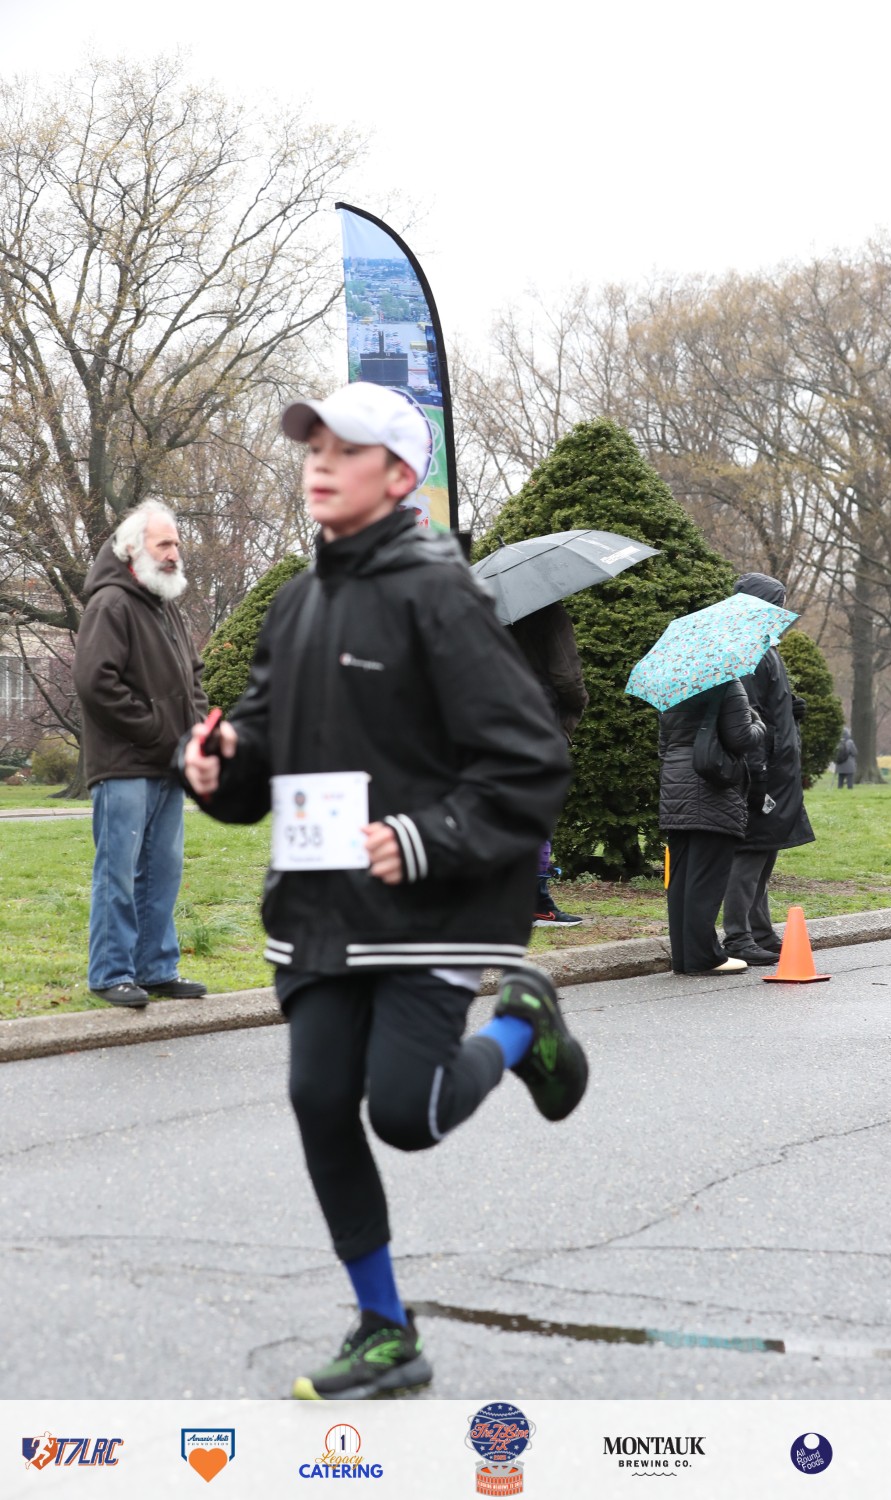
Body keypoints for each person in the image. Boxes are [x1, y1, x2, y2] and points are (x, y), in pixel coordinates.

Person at [180, 382, 588, 1401]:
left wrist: (422, 837)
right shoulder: (296, 603)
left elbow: (530, 758)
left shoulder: (440, 595)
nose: (318, 462)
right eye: (311, 446)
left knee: (405, 1113)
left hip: (427, 910)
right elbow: (263, 748)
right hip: (318, 908)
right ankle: (384, 1328)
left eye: (343, 449)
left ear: (400, 476)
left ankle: (519, 1029)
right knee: (320, 1100)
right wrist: (223, 765)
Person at [73, 501, 209, 1008]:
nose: (174, 553)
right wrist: (156, 731)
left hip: (168, 763)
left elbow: (194, 676)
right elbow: (96, 683)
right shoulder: (111, 603)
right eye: (164, 544)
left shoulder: (165, 604)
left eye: (176, 544)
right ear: (134, 549)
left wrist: (192, 732)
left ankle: (156, 968)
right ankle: (111, 973)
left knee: (162, 873)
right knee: (119, 874)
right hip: (124, 765)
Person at [722, 573, 816, 964]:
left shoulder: (763, 646)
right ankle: (738, 935)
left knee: (765, 852)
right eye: (776, 604)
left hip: (778, 769)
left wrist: (789, 709)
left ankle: (759, 931)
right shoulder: (747, 650)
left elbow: (766, 707)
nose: (782, 612)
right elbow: (749, 714)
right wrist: (758, 772)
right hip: (764, 769)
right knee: (751, 852)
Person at [659, 678, 765, 975]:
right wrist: (759, 723)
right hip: (712, 790)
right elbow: (740, 738)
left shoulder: (671, 685)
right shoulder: (727, 683)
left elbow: (664, 747)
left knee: (681, 879)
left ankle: (684, 957)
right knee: (705, 880)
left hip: (676, 789)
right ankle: (704, 957)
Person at [509, 601, 588, 925]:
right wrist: (577, 706)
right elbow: (566, 677)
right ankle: (536, 901)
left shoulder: (476, 605)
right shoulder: (546, 610)